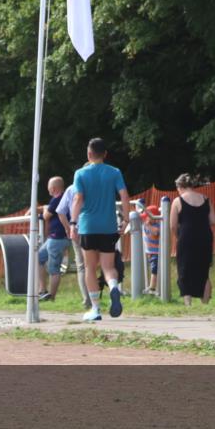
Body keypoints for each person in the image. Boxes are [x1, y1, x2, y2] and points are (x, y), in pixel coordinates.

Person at [69, 138, 130, 322]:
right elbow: (124, 195)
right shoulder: (114, 172)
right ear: (105, 154)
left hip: (88, 226)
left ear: (89, 154)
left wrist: (73, 223)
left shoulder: (80, 173)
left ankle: (95, 309)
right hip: (108, 226)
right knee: (108, 267)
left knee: (90, 267)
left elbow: (78, 199)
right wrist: (126, 219)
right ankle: (113, 287)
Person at [170, 173, 215, 305]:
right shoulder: (205, 199)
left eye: (177, 188)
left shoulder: (178, 201)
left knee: (185, 269)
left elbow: (173, 225)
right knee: (204, 270)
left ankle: (188, 303)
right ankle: (205, 302)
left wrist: (178, 236)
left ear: (181, 186)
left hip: (186, 237)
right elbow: (213, 220)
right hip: (205, 238)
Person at [56, 175, 93, 310]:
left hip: (77, 230)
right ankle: (103, 293)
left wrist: (68, 228)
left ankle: (87, 300)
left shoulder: (71, 189)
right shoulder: (97, 186)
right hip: (97, 229)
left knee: (82, 266)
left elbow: (60, 212)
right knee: (98, 263)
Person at [37, 176, 68, 301]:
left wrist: (44, 209)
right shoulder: (63, 198)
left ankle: (51, 297)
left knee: (54, 269)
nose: (48, 190)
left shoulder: (56, 199)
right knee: (38, 258)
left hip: (57, 238)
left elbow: (46, 216)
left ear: (53, 188)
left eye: (49, 188)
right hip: (54, 238)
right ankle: (43, 290)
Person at [140, 203, 162, 293]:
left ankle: (152, 287)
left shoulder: (157, 225)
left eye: (148, 217)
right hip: (150, 252)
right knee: (153, 268)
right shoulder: (147, 224)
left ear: (154, 217)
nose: (146, 219)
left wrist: (148, 226)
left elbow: (156, 233)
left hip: (156, 252)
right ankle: (153, 287)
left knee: (154, 270)